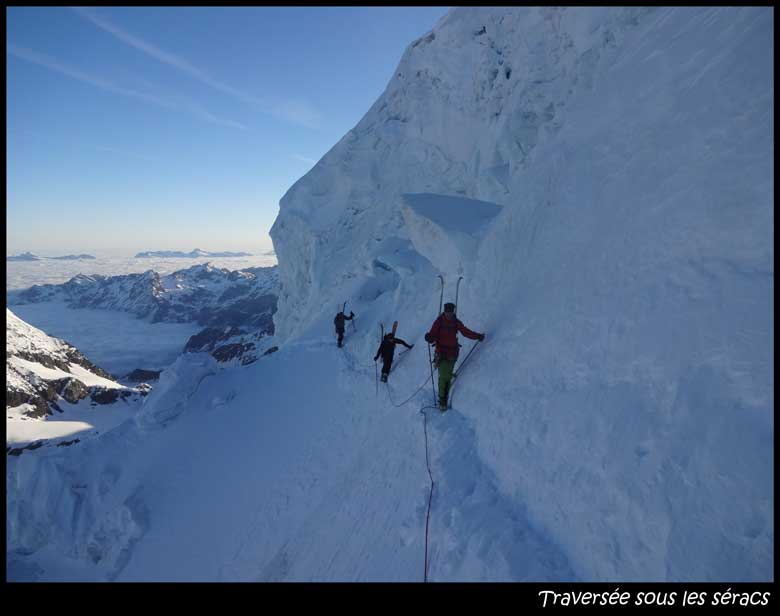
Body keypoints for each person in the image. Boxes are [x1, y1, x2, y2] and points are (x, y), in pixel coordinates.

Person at [424, 302, 485, 411]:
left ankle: (445, 389)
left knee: (446, 375)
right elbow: (432, 334)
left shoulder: (456, 322)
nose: (449, 314)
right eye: (447, 312)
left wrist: (477, 336)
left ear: (453, 312)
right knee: (443, 377)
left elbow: (465, 331)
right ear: (444, 311)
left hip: (453, 354)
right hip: (441, 353)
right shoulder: (439, 321)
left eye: (451, 312)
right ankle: (442, 400)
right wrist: (429, 337)